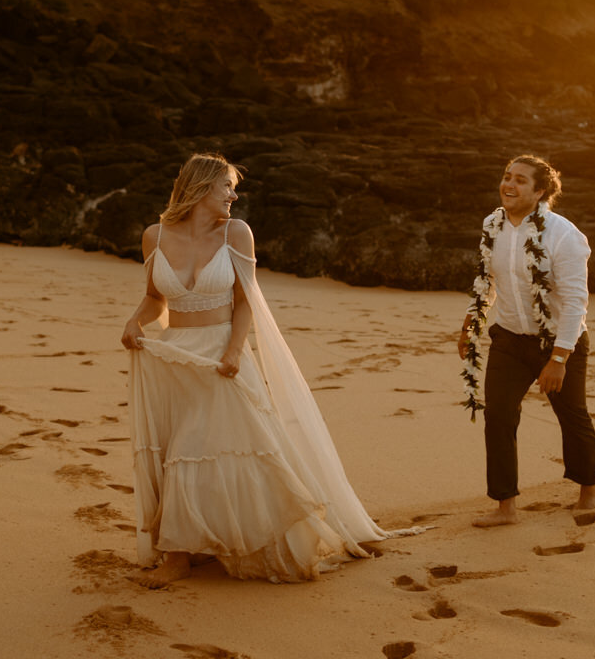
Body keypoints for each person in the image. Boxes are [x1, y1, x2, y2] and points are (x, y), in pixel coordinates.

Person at [120, 153, 393, 585]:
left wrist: (233, 350)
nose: (234, 194)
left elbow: (247, 301)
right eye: (226, 186)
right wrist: (135, 321)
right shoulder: (154, 236)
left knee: (196, 450)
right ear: (200, 187)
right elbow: (156, 298)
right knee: (180, 454)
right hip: (175, 361)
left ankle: (178, 556)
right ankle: (185, 549)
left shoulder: (236, 233)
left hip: (222, 359)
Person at [456, 154, 595, 526]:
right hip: (509, 339)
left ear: (539, 191)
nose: (510, 185)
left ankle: (588, 489)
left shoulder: (564, 235)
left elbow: (574, 302)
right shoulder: (492, 224)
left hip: (558, 341)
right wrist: (473, 320)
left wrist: (559, 358)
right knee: (499, 416)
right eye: (507, 177)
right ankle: (505, 505)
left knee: (572, 415)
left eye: (520, 180)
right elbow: (487, 279)